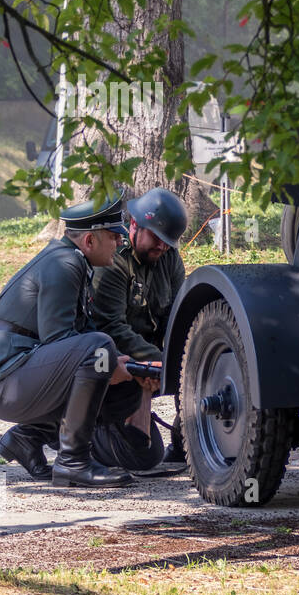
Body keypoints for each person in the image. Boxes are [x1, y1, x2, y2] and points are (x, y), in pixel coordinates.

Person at [0, 195, 141, 488]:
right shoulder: (64, 263)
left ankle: (28, 438)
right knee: (99, 349)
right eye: (115, 237)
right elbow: (61, 340)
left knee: (125, 388)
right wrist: (106, 361)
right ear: (89, 240)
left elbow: (79, 337)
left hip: (20, 377)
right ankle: (73, 463)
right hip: (4, 384)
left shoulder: (73, 260)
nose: (120, 243)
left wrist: (118, 366)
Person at [89, 187, 189, 468]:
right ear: (134, 225)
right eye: (156, 238)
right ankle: (72, 432)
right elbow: (111, 327)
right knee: (143, 457)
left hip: (148, 362)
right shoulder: (113, 260)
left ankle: (187, 444)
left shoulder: (168, 257)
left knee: (193, 363)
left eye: (169, 242)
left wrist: (180, 359)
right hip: (114, 366)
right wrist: (159, 362)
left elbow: (177, 317)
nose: (162, 247)